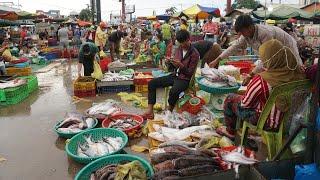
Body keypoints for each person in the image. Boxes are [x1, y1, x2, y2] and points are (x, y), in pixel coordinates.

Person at [219, 39, 306, 139]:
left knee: (231, 99)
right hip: (291, 122)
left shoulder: (263, 80)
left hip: (269, 124)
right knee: (260, 100)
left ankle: (230, 132)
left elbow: (245, 104)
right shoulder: (299, 74)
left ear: (270, 60)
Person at [209, 15, 303, 74]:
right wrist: (217, 60)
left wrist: (251, 74)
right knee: (274, 70)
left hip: (288, 46)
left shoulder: (265, 33)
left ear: (250, 27)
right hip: (276, 53)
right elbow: (234, 47)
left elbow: (267, 58)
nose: (241, 34)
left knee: (296, 68)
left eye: (242, 31)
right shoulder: (246, 35)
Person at [142, 30, 200, 120]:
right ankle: (150, 111)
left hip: (185, 79)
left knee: (174, 91)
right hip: (175, 75)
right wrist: (170, 62)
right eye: (180, 43)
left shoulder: (195, 54)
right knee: (152, 83)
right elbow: (173, 66)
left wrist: (181, 66)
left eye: (183, 42)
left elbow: (189, 73)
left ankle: (169, 111)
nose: (182, 45)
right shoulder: (179, 49)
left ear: (188, 39)